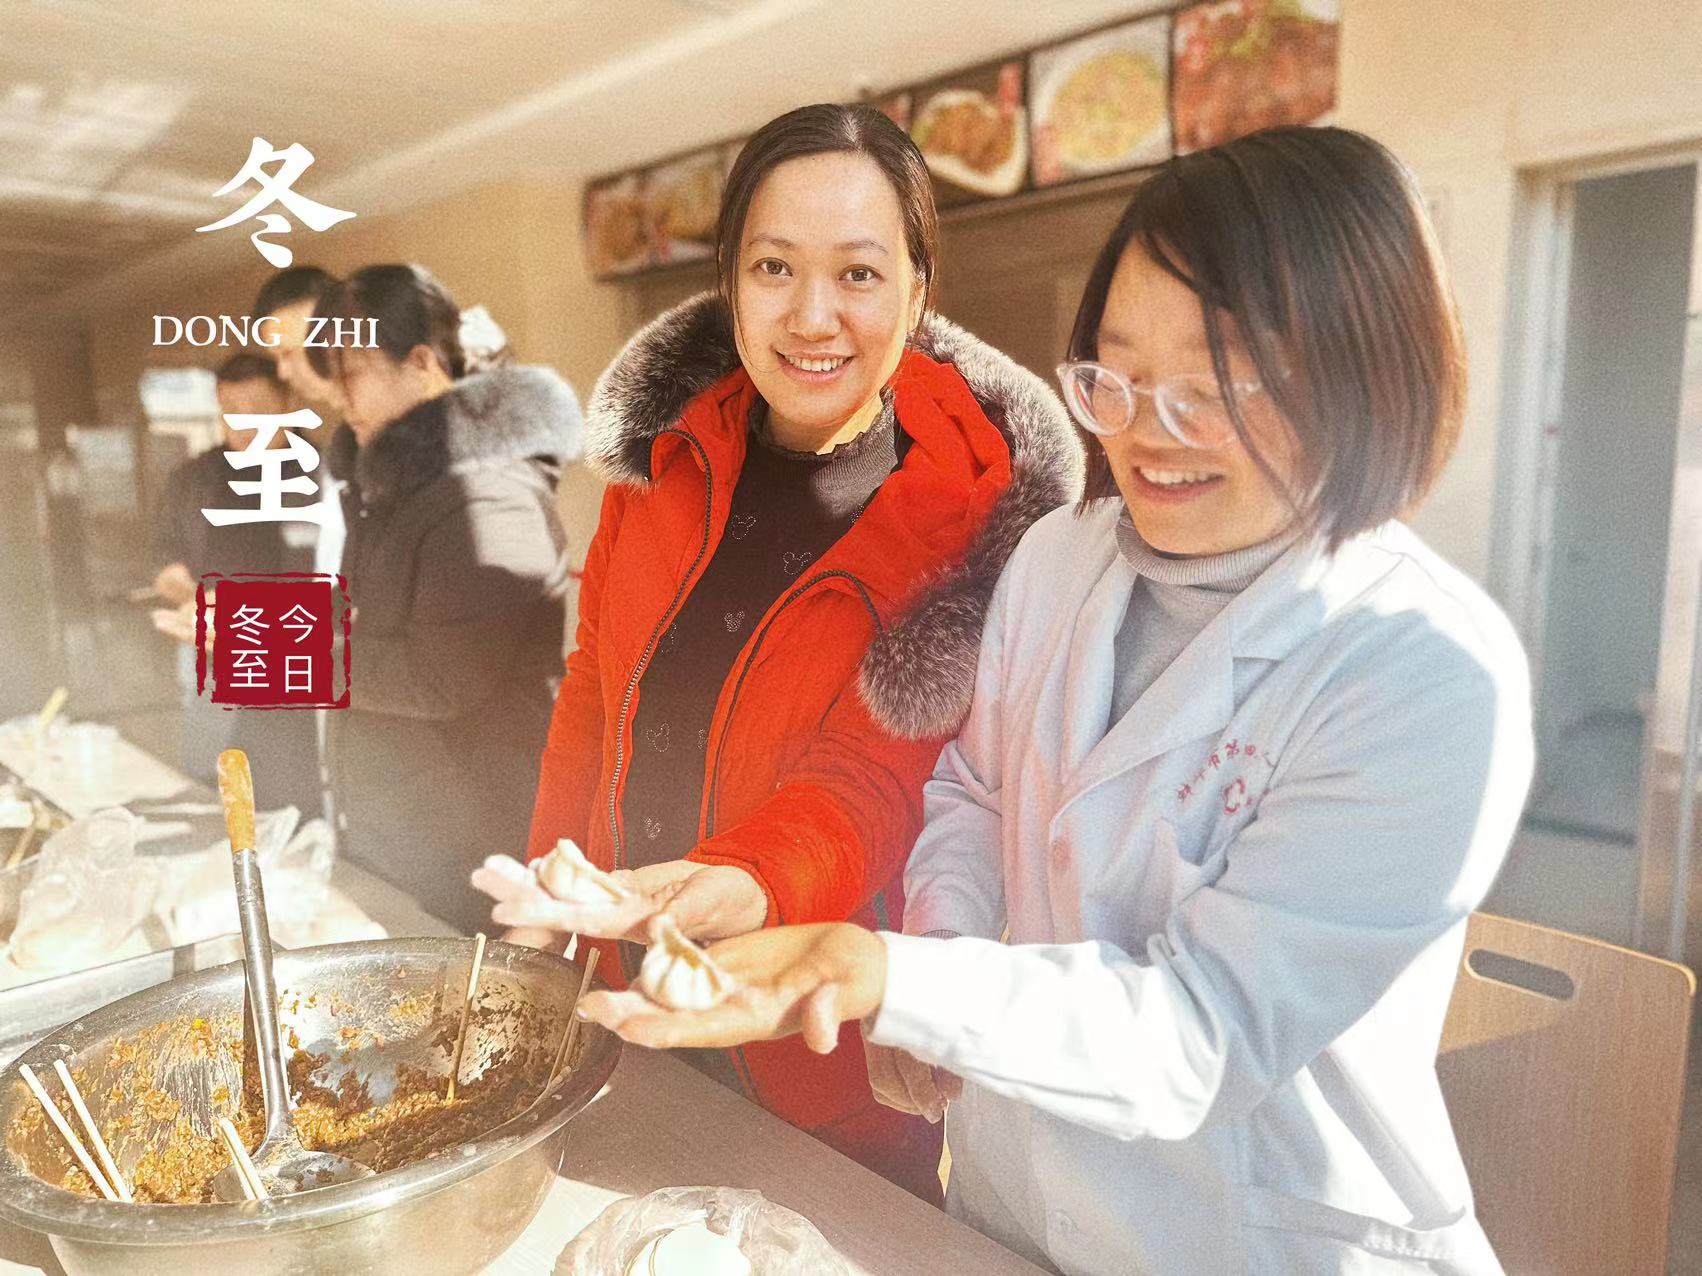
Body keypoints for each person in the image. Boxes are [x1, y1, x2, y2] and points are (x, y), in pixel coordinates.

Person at [578, 126, 1535, 1275]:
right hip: (1012, 1210)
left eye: (1213, 389)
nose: (1142, 434)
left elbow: (1203, 1028)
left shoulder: (1424, 668)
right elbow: (975, 793)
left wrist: (896, 975)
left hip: (1261, 1239)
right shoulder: (1057, 557)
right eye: (1115, 378)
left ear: (1364, 377)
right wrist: (943, 949)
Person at [477, 102, 1082, 1203]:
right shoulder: (661, 462)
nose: (812, 316)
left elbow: (875, 782)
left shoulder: (969, 519)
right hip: (627, 1015)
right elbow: (592, 699)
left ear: (917, 291)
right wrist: (547, 934)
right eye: (774, 267)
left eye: (858, 274)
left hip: (817, 1056)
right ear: (730, 280)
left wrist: (745, 881)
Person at [311, 264, 581, 933]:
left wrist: (278, 654)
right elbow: (370, 628)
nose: (337, 397)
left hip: (472, 841)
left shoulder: (485, 495)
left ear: (423, 364)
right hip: (410, 829)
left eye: (351, 372)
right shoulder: (393, 489)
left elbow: (439, 678)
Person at [149, 353, 321, 808]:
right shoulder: (194, 478)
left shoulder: (323, 475)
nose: (242, 424)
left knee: (292, 789)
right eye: (229, 410)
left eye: (257, 410)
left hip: (301, 662)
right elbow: (164, 563)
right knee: (212, 788)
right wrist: (196, 595)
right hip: (214, 661)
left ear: (289, 403)